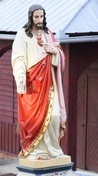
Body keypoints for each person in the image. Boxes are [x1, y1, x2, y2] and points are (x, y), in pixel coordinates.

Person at [12, 5, 67, 160]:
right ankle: (36, 151)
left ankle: (53, 148)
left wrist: (55, 52)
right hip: (32, 84)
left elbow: (60, 56)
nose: (39, 20)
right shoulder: (22, 34)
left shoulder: (48, 34)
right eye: (36, 17)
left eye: (41, 17)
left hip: (49, 84)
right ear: (30, 17)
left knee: (54, 117)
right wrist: (20, 76)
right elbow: (18, 57)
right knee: (34, 119)